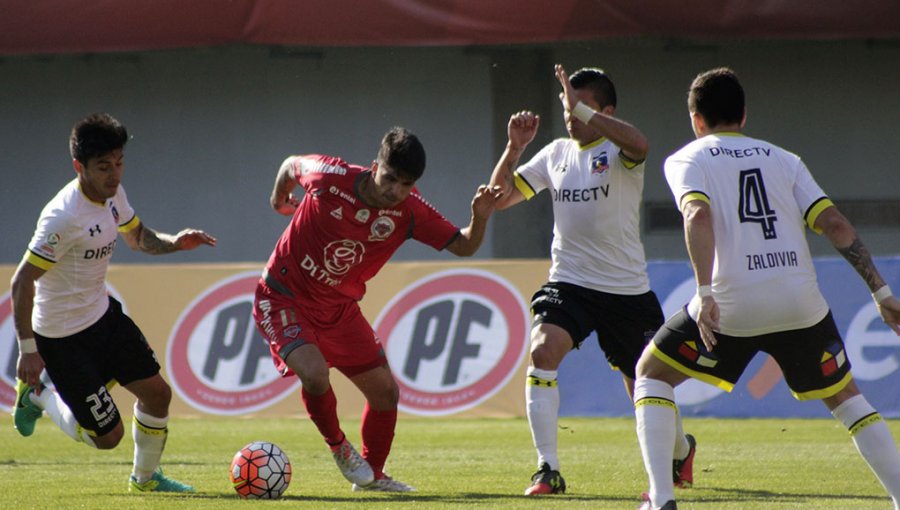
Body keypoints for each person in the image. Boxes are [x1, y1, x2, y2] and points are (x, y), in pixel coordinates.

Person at [633, 67, 900, 510]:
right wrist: (881, 292)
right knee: (847, 397)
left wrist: (703, 291)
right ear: (744, 114)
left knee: (651, 375)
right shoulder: (785, 159)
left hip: (731, 306)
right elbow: (834, 224)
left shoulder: (687, 158)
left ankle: (661, 499)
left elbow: (697, 216)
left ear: (696, 119)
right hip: (800, 305)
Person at [251, 126, 503, 492]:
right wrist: (279, 200)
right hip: (282, 296)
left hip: (338, 309)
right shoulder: (328, 176)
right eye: (390, 179)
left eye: (406, 184)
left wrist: (480, 217)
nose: (395, 191)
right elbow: (291, 164)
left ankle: (373, 475)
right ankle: (340, 447)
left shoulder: (410, 211)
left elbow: (464, 247)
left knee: (386, 393)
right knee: (316, 374)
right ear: (374, 166)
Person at [488, 64, 695, 496]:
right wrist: (513, 148)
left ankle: (681, 450)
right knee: (543, 351)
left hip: (626, 290)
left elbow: (642, 142)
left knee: (646, 383)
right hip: (570, 283)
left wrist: (583, 110)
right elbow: (499, 199)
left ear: (607, 110)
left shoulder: (621, 152)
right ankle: (547, 469)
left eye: (580, 107)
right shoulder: (554, 154)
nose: (571, 117)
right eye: (567, 108)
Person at [11, 113, 217, 492]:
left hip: (104, 319)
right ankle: (39, 396)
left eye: (119, 163)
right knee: (107, 438)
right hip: (61, 338)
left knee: (158, 395)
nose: (115, 174)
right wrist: (28, 350)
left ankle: (146, 480)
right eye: (104, 166)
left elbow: (137, 237)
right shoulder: (62, 217)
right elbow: (22, 281)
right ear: (79, 167)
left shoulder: (113, 195)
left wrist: (175, 242)